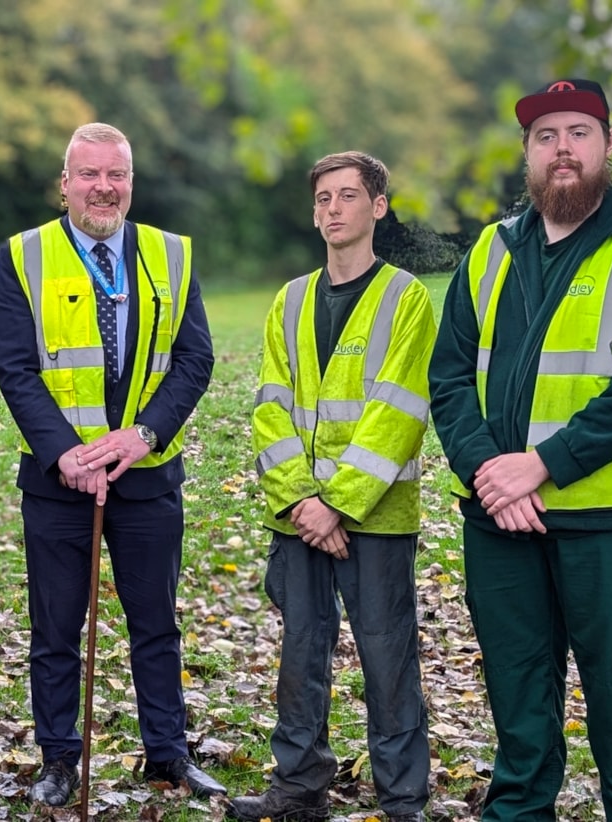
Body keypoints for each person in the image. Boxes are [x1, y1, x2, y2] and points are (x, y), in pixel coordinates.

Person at [429, 79, 612, 821]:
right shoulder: (489, 249)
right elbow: (449, 374)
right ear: (528, 155)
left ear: (608, 145)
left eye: (579, 132)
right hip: (499, 522)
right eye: (546, 137)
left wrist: (541, 465)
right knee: (517, 700)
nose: (563, 149)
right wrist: (490, 473)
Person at [0, 123, 223, 807]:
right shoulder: (23, 257)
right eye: (88, 174)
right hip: (59, 484)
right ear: (64, 184)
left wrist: (143, 436)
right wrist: (68, 454)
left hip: (147, 477)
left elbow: (195, 359)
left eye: (115, 174)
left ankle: (168, 756)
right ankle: (59, 758)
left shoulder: (171, 254)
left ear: (130, 181)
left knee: (157, 624)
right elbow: (15, 368)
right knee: (57, 629)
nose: (102, 187)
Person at [232, 152, 434, 822]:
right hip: (299, 519)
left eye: (348, 196)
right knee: (300, 657)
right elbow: (269, 407)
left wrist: (338, 504)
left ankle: (403, 800)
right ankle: (297, 790)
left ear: (379, 206)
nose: (333, 209)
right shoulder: (289, 300)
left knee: (388, 660)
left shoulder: (406, 298)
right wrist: (300, 501)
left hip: (373, 519)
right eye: (323, 198)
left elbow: (398, 412)